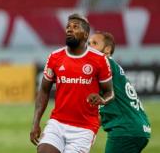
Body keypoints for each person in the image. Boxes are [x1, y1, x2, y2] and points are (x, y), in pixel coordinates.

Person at [30, 14, 114, 153]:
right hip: (57, 124)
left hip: (84, 129)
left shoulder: (99, 60)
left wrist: (103, 99)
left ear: (86, 35)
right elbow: (44, 90)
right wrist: (35, 123)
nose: (69, 29)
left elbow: (110, 92)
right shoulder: (55, 57)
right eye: (68, 27)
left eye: (75, 27)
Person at [88, 31, 151, 153]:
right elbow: (103, 111)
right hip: (136, 128)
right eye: (88, 43)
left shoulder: (103, 62)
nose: (89, 46)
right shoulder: (110, 68)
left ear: (107, 49)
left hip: (125, 130)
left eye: (94, 43)